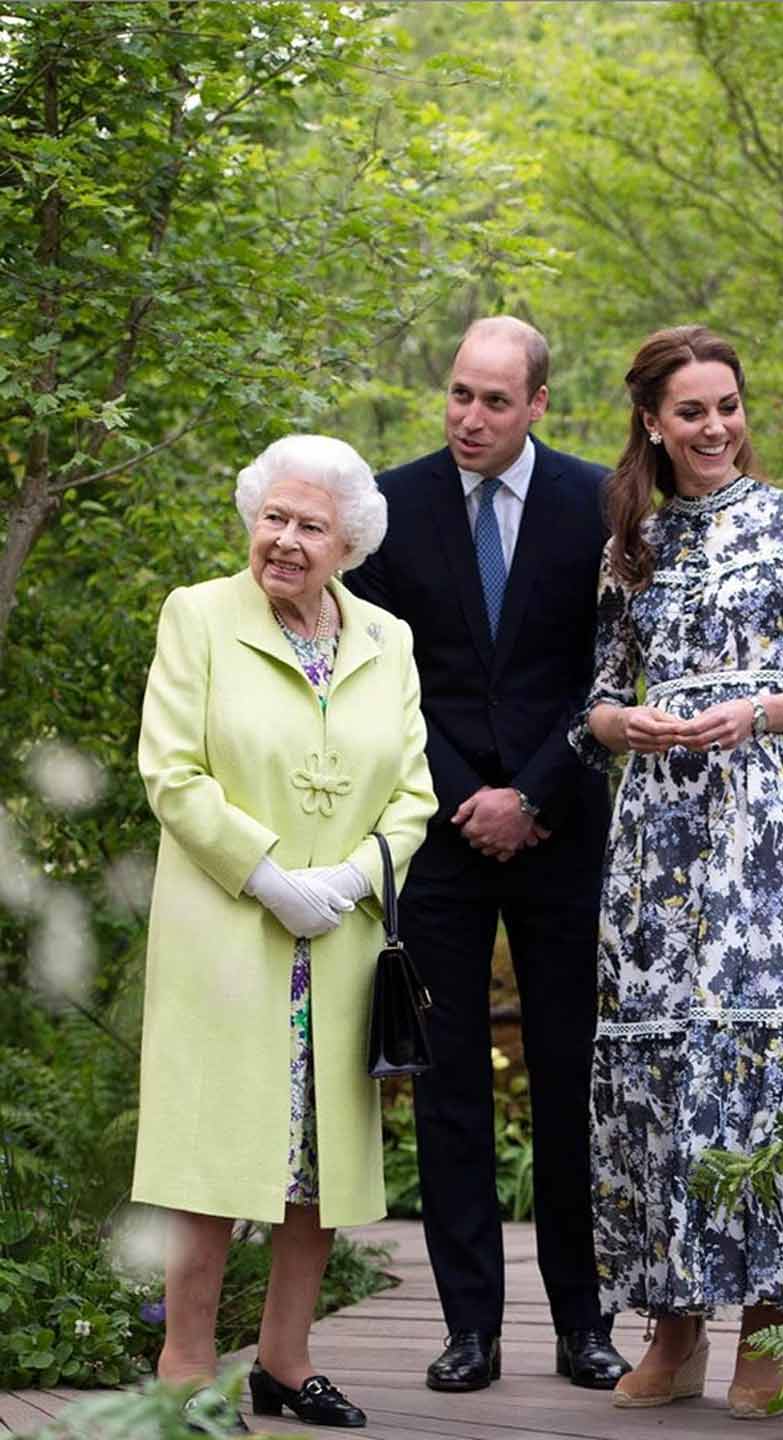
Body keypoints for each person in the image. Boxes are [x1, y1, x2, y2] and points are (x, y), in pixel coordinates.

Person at [570, 327, 783, 1419]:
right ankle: (674, 1325)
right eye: (692, 411)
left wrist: (755, 712)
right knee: (661, 1067)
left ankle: (769, 1322)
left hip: (764, 824)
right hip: (657, 839)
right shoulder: (631, 543)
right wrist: (627, 724)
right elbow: (595, 701)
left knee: (765, 1055)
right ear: (652, 421)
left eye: (728, 406)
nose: (714, 428)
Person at [348, 316, 630, 1393]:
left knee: (571, 1083)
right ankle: (469, 1330)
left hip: (564, 832)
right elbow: (382, 679)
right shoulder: (392, 505)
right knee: (450, 1087)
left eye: (495, 401)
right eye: (459, 395)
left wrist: (539, 791)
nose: (469, 418)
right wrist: (474, 797)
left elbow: (612, 667)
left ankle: (584, 1326)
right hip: (442, 838)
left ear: (540, 405)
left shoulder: (601, 504)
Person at [134, 434, 437, 1434]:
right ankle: (185, 1366)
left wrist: (351, 880)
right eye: (274, 517)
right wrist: (267, 877)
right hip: (230, 932)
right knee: (211, 1159)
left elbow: (414, 792)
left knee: (316, 1164)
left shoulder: (386, 639)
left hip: (340, 944)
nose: (286, 540)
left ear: (349, 541)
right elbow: (172, 773)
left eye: (311, 525)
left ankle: (284, 1359)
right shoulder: (200, 617)